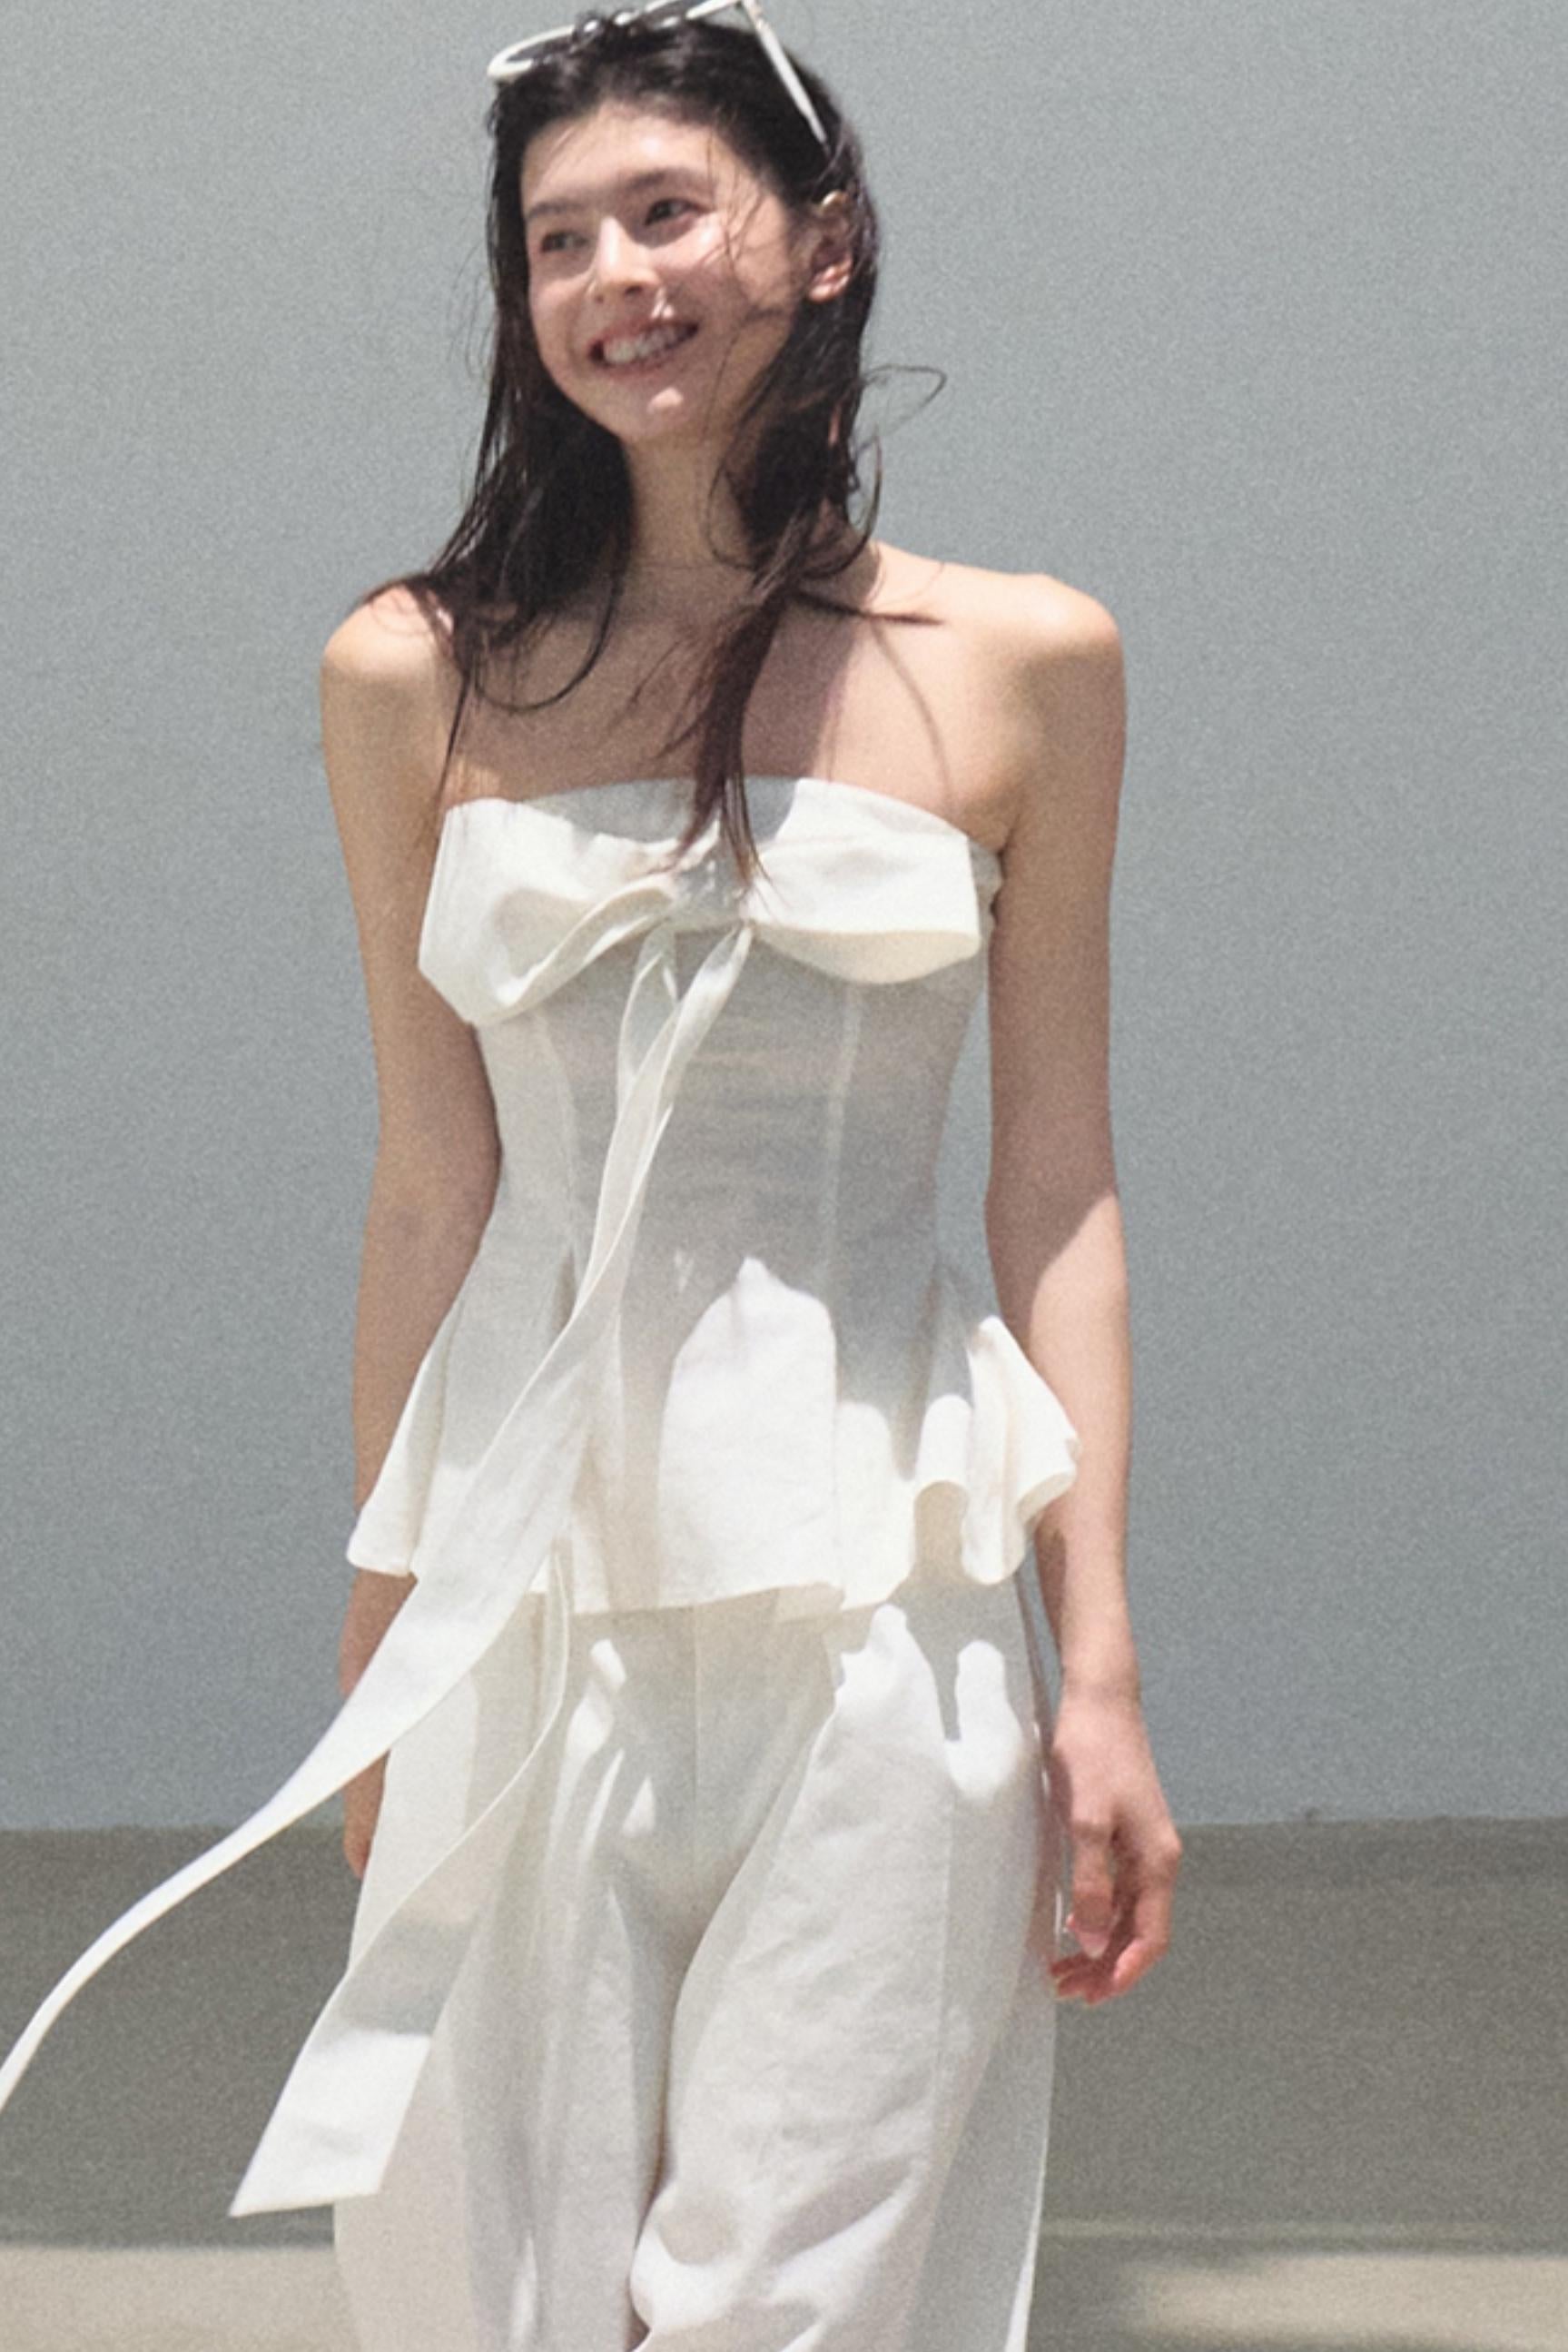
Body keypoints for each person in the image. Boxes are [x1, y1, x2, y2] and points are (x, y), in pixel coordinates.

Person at [0, 5, 1182, 2345]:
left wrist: (1103, 1668)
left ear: (822, 244)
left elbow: (1056, 1191)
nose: (616, 277)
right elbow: (429, 1183)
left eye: (666, 212)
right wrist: (377, 1626)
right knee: (490, 2293)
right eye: (559, 240)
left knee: (807, 2299)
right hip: (520, 1609)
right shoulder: (407, 677)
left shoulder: (1028, 663)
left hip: (889, 1601)